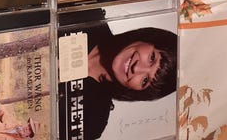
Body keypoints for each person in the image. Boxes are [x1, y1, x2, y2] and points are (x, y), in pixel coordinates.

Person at [59, 10, 177, 139]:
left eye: (145, 80)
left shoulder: (92, 120)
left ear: (137, 91)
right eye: (152, 58)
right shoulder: (88, 16)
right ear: (148, 39)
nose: (137, 68)